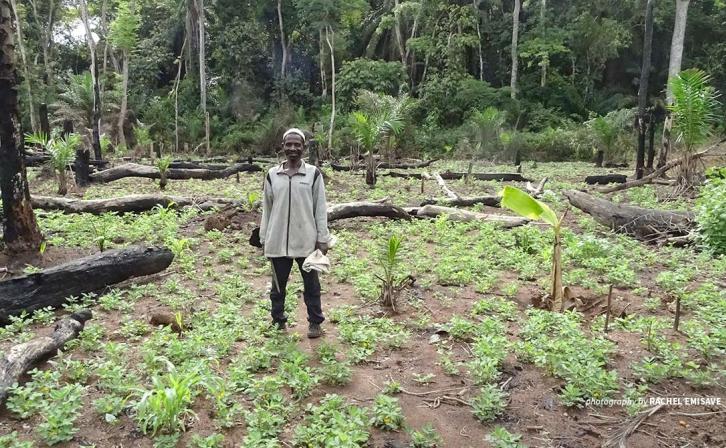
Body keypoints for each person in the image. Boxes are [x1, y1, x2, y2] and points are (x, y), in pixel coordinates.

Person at [259, 128, 330, 338]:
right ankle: (278, 321)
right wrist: (264, 238)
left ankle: (315, 323)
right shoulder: (273, 175)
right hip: (278, 241)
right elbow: (267, 209)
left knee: (311, 285)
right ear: (282, 147)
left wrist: (322, 238)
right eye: (288, 145)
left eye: (297, 145)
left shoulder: (313, 174)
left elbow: (320, 208)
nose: (292, 149)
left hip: (306, 241)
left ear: (304, 148)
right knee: (278, 287)